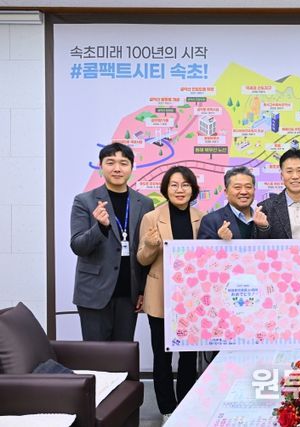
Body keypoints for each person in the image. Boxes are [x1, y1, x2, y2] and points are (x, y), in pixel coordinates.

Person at [137, 166, 204, 422]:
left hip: (192, 300)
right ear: (165, 189)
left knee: (188, 357)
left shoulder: (202, 217)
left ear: (193, 190)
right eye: (174, 185)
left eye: (185, 185)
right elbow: (142, 259)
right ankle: (167, 409)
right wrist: (151, 246)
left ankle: (185, 407)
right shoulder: (151, 218)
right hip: (161, 297)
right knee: (162, 357)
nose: (179, 190)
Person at [70, 142, 153, 341]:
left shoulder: (145, 203)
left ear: (131, 167)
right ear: (101, 166)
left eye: (123, 163)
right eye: (110, 162)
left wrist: (143, 290)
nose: (117, 168)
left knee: (122, 353)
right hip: (93, 293)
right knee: (96, 354)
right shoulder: (84, 201)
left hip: (129, 293)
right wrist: (99, 227)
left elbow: (146, 250)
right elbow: (78, 246)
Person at [198, 166, 256, 241]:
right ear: (226, 192)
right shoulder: (211, 220)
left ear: (254, 190)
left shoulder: (265, 218)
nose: (244, 192)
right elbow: (203, 248)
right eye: (237, 187)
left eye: (248, 187)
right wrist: (220, 241)